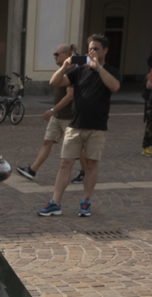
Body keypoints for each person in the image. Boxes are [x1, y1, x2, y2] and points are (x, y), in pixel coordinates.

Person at [38, 33, 121, 218]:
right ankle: (55, 202)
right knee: (65, 163)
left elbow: (114, 86)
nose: (91, 52)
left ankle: (86, 201)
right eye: (90, 48)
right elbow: (54, 82)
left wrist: (98, 67)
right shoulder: (80, 70)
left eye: (96, 49)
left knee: (91, 164)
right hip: (75, 125)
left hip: (97, 127)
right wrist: (65, 67)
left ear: (105, 51)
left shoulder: (111, 71)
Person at [18, 45, 80, 180]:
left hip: (68, 117)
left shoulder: (73, 71)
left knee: (77, 148)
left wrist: (53, 110)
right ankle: (32, 170)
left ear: (66, 54)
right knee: (47, 142)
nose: (54, 56)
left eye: (57, 54)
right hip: (58, 116)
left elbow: (70, 95)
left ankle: (86, 173)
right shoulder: (63, 69)